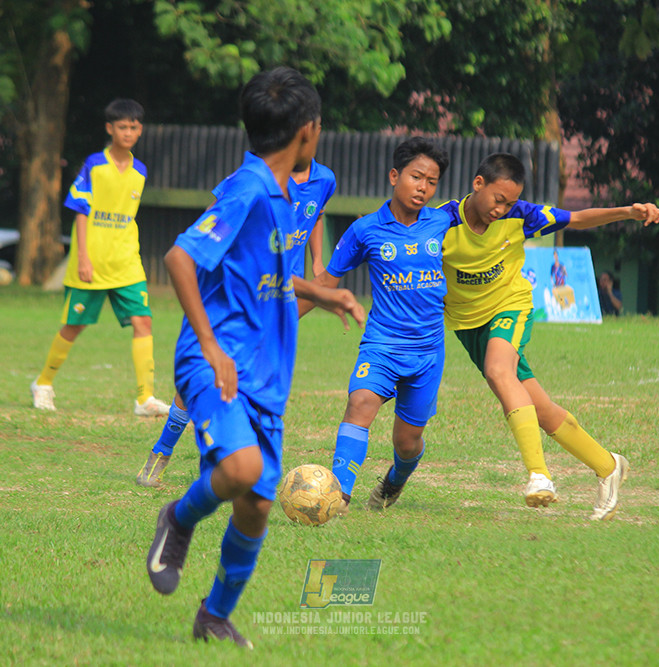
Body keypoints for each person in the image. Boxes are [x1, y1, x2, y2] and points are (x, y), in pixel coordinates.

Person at [145, 67, 364, 648]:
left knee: (257, 506)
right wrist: (210, 346)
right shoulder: (246, 189)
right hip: (216, 362)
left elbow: (266, 276)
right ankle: (178, 517)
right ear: (307, 130)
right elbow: (179, 258)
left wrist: (321, 292)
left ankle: (214, 616)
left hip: (266, 374)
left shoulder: (287, 196)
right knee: (241, 470)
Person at [437, 153, 659, 520]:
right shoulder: (441, 222)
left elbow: (576, 218)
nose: (502, 209)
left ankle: (539, 476)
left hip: (509, 307)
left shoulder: (521, 215)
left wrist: (628, 212)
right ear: (478, 184)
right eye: (498, 199)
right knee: (539, 409)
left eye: (509, 203)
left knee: (498, 371)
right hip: (467, 324)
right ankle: (608, 466)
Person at [135, 158, 336, 487]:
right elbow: (211, 224)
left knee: (255, 376)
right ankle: (163, 449)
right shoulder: (250, 180)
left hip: (283, 293)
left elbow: (317, 215)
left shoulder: (324, 179)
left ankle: (233, 463)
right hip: (237, 295)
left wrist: (317, 263)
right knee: (207, 373)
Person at [299, 137, 452, 512]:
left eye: (432, 181)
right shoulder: (365, 229)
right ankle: (338, 496)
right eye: (416, 177)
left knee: (407, 443)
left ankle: (394, 481)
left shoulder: (444, 221)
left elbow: (486, 213)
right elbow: (325, 284)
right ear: (394, 176)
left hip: (428, 352)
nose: (423, 187)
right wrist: (280, 320)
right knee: (360, 403)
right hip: (382, 344)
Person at [30, 98, 170, 417]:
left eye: (134, 127)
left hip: (126, 263)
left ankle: (145, 398)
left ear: (140, 130)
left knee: (143, 321)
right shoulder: (94, 164)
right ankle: (43, 383)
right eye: (122, 127)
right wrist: (82, 257)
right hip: (92, 262)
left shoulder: (140, 171)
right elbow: (81, 211)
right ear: (110, 129)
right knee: (74, 325)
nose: (128, 132)